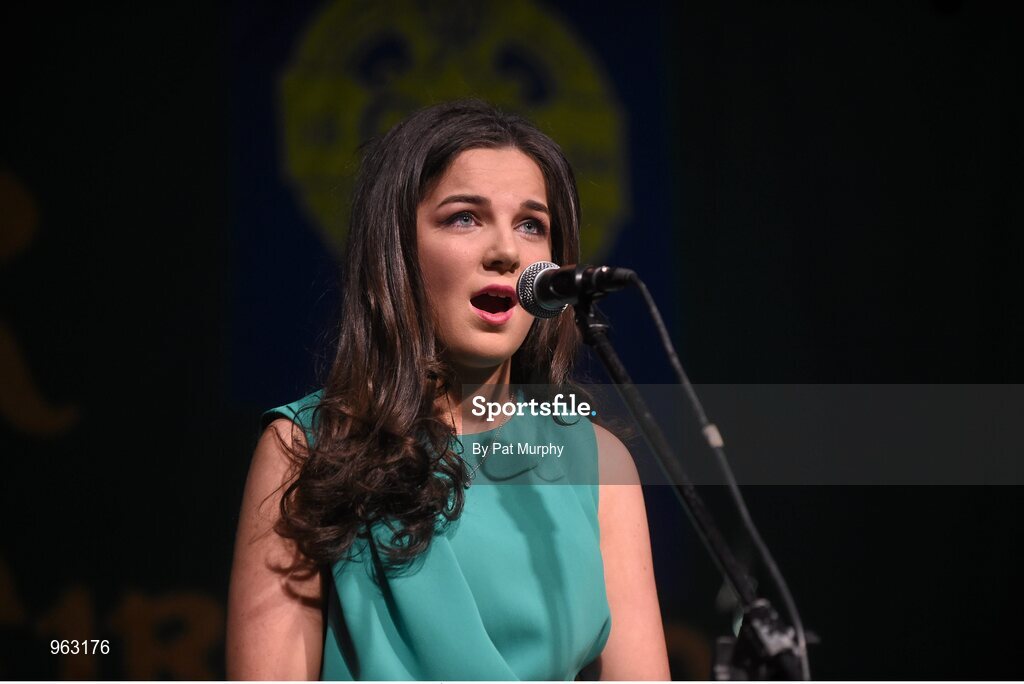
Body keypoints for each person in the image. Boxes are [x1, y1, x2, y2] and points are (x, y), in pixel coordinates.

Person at [226, 99, 670, 680]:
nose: (507, 252)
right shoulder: (307, 449)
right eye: (465, 217)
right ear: (398, 253)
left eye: (531, 225)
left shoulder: (598, 463)